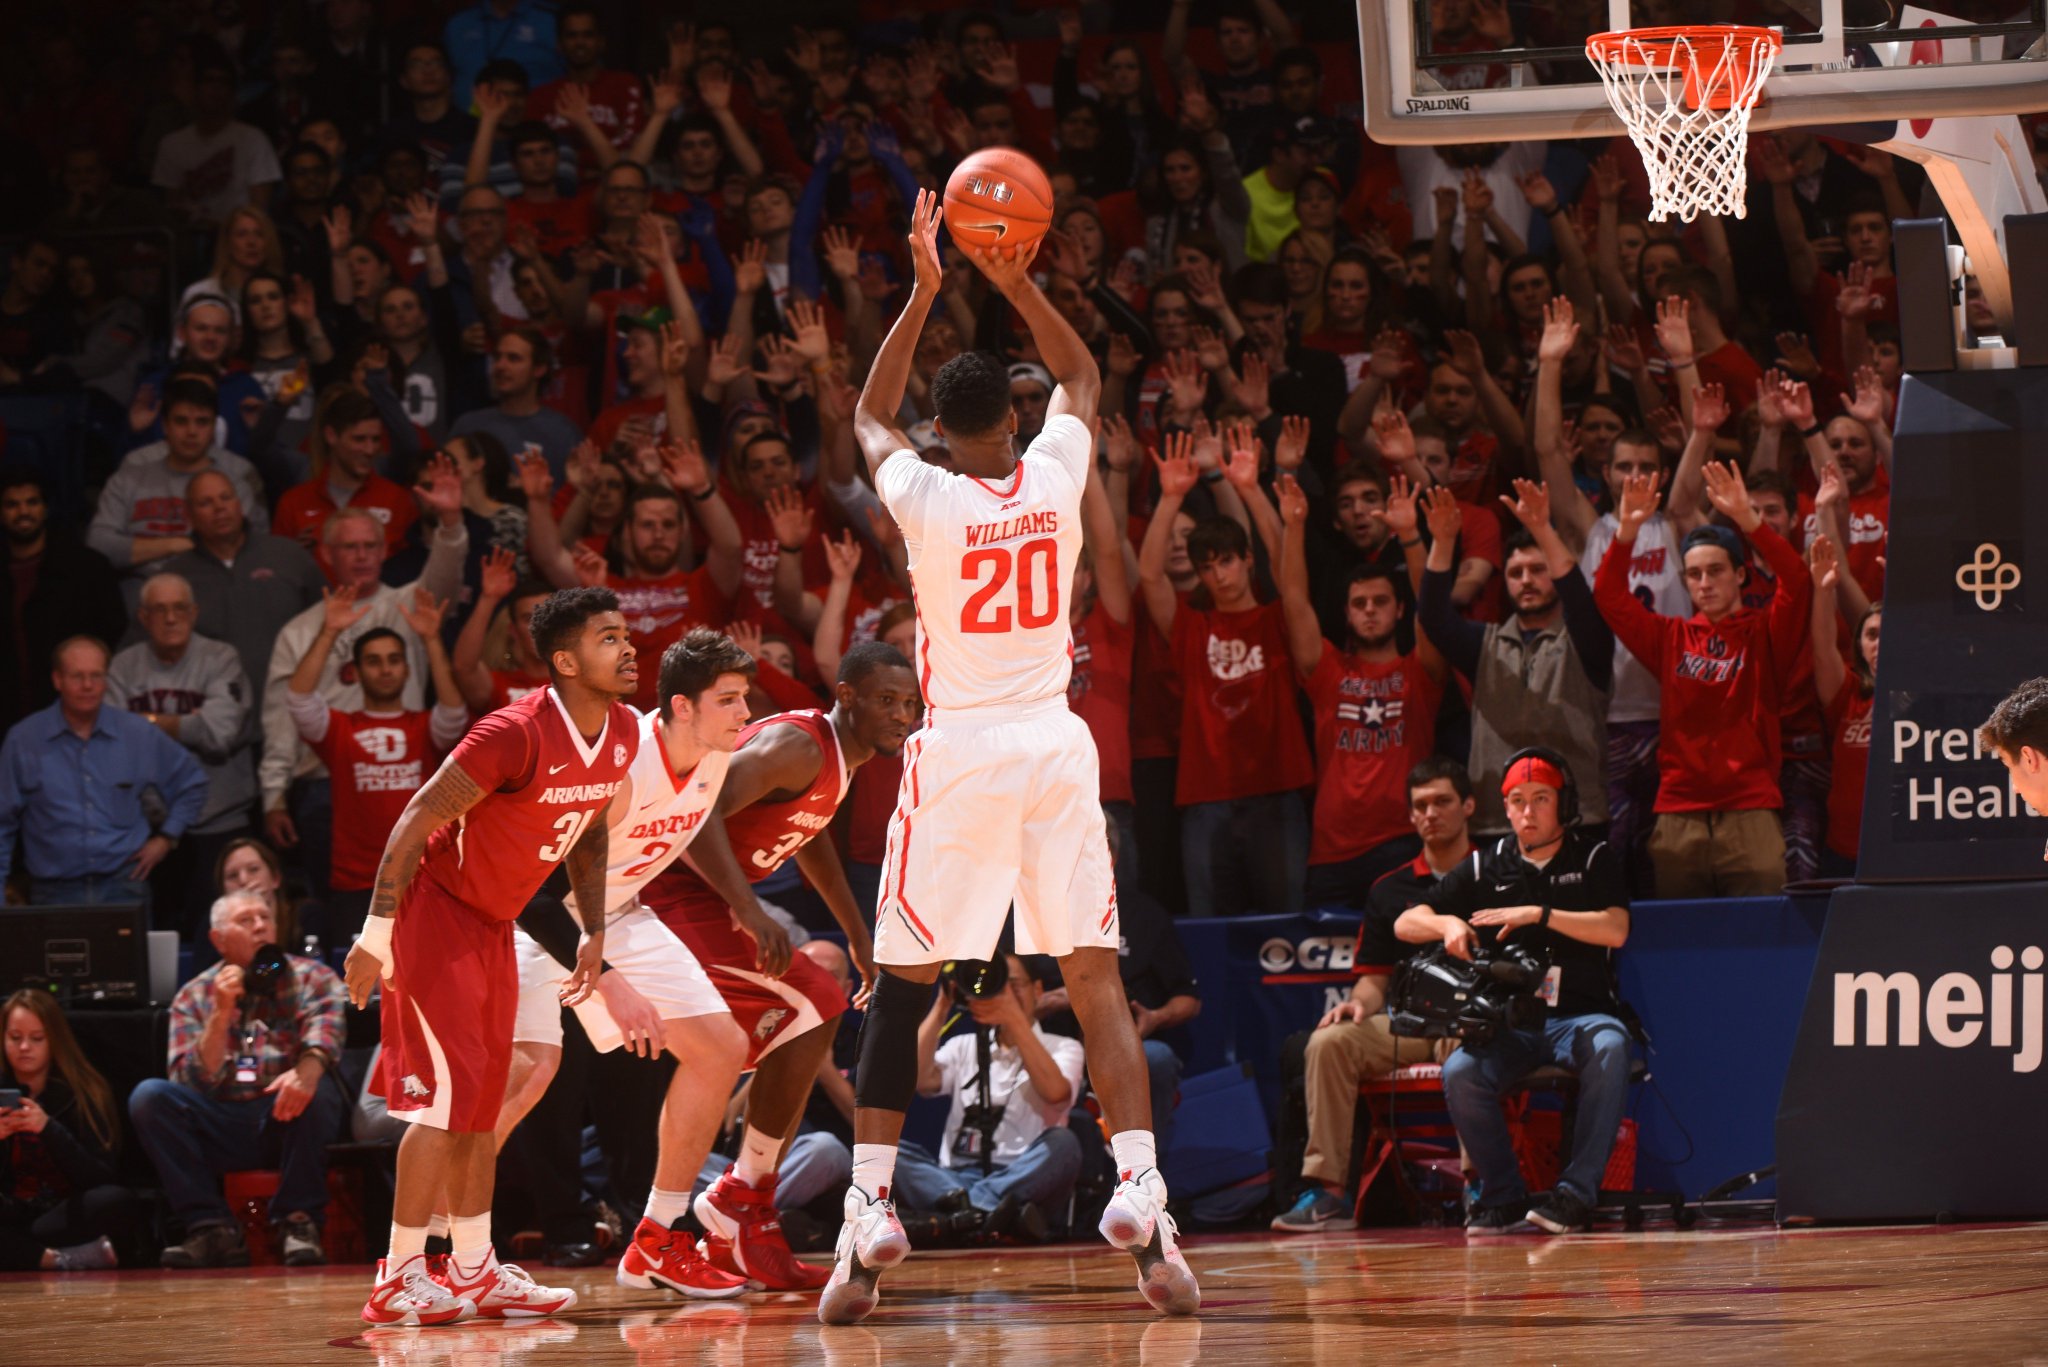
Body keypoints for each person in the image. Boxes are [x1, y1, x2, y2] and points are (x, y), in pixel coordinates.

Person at [822, 191, 1197, 1324]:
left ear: (945, 430)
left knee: (899, 985)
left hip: (964, 750)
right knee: (1094, 975)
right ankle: (1139, 1186)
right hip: (1056, 741)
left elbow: (864, 414)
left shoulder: (925, 492)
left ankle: (871, 1206)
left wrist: (927, 284)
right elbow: (1083, 378)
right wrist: (1018, 275)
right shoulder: (1051, 474)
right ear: (1015, 420)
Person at [343, 587, 637, 1326]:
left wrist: (593, 929)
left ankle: (474, 1266)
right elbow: (414, 821)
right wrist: (374, 938)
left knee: (480, 1101)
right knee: (443, 1103)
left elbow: (592, 830)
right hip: (435, 912)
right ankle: (398, 1271)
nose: (629, 647)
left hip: (494, 920)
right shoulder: (513, 731)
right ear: (566, 660)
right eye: (609, 638)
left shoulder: (625, 730)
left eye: (626, 634)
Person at [496, 630, 768, 1300]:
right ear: (681, 705)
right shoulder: (619, 768)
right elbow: (533, 892)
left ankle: (656, 1237)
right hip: (535, 919)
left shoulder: (713, 754)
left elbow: (692, 817)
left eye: (746, 698)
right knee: (525, 1078)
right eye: (729, 699)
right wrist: (609, 984)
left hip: (619, 912)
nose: (745, 714)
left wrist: (744, 903)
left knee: (721, 1046)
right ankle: (441, 1250)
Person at [644, 640, 919, 1290]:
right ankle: (739, 1196)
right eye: (885, 700)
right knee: (814, 1002)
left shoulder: (835, 764)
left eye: (909, 703)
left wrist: (857, 935)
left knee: (808, 1010)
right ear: (846, 696)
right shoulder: (798, 744)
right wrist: (747, 905)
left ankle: (741, 1201)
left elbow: (811, 832)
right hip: (669, 893)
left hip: (708, 900)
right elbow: (698, 804)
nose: (901, 714)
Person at [1396, 751, 1633, 1235]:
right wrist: (1446, 923)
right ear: (1504, 809)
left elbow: (1616, 930)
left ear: (1562, 803)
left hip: (1581, 1016)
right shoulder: (1485, 866)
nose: (1528, 812)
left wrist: (1537, 914)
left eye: (1540, 799)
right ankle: (1503, 1196)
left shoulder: (1591, 858)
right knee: (1461, 1071)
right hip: (1512, 1024)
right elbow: (1404, 922)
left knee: (1611, 1046)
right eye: (1517, 801)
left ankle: (1574, 1196)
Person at [1272, 759, 1474, 1232]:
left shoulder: (1492, 875)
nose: (1431, 813)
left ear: (1468, 806)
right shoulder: (1390, 889)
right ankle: (1328, 1193)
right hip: (1405, 1024)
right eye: (1420, 805)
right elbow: (1373, 979)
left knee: (1473, 1044)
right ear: (1410, 816)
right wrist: (1358, 1004)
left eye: (1442, 801)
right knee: (1328, 1041)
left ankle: (1478, 1183)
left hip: (1468, 1022)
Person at [1595, 466, 1811, 897]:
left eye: (1716, 571)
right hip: (1679, 814)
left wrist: (1749, 520)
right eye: (1694, 575)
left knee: (1764, 938)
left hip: (1751, 808)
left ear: (1741, 575)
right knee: (1683, 943)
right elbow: (1609, 595)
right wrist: (1628, 530)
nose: (1705, 583)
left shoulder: (1763, 633)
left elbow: (1797, 581)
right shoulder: (1670, 638)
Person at [259, 491, 468, 911]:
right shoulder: (301, 632)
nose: (361, 556)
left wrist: (449, 521)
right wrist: (274, 793)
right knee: (342, 906)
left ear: (385, 550)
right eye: (349, 547)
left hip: (407, 775)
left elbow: (443, 577)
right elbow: (285, 715)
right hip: (322, 782)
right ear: (326, 553)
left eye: (370, 545)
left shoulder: (407, 605)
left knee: (420, 903)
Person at [129, 891, 349, 1267]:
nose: (261, 925)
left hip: (287, 1116)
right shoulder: (194, 995)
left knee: (319, 1088)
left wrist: (306, 1072)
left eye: (266, 917)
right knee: (149, 1097)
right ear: (218, 940)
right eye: (246, 920)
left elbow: (326, 1036)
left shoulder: (314, 977)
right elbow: (190, 1080)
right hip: (221, 1120)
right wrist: (221, 1011)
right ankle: (210, 1228)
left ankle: (299, 1222)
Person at [1278, 473, 1448, 902]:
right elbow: (1294, 599)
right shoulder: (1327, 669)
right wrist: (1294, 525)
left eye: (1380, 602)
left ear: (1399, 610)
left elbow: (1433, 605)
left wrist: (1410, 536)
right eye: (1359, 604)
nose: (1370, 611)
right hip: (1331, 854)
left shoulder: (1420, 670)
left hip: (1402, 843)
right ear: (1347, 614)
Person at [1415, 476, 1614, 841]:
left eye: (1538, 570)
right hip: (1497, 823)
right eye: (1515, 573)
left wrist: (1541, 529)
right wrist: (1443, 542)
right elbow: (1433, 618)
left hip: (1577, 822)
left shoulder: (1587, 640)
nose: (1526, 580)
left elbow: (1581, 602)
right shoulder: (1484, 643)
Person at [287, 588, 469, 942]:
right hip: (357, 883)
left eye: (393, 659)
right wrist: (329, 632)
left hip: (423, 877)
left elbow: (453, 713)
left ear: (405, 667)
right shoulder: (339, 729)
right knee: (360, 994)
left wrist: (431, 640)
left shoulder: (425, 727)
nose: (385, 669)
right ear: (355, 671)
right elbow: (299, 699)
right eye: (373, 661)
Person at [0, 636, 208, 908]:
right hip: (54, 893)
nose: (88, 686)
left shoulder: (136, 733)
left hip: (124, 886)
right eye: (77, 676)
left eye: (96, 676)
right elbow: (2, 823)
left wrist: (166, 839)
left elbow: (192, 783)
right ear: (57, 680)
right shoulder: (24, 740)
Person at [893, 952, 1088, 1240]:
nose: (1003, 993)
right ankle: (985, 1216)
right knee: (887, 1151)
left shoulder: (1064, 1046)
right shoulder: (963, 1045)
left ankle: (963, 1215)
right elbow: (919, 1080)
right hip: (952, 1181)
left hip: (1023, 1179)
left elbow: (1055, 1093)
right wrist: (942, 1004)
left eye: (1013, 984)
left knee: (1064, 1144)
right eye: (996, 984)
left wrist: (1014, 1019)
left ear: (1038, 990)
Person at [108, 573, 257, 934]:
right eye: (159, 610)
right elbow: (113, 746)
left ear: (193, 613)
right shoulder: (123, 667)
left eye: (179, 609)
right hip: (148, 826)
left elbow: (220, 733)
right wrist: (188, 722)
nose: (170, 618)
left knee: (223, 931)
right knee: (154, 937)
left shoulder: (221, 658)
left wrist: (146, 722)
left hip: (219, 820)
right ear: (143, 618)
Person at [88, 379, 270, 597]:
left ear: (213, 427)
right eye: (181, 421)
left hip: (212, 587)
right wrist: (175, 544)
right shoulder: (130, 477)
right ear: (165, 426)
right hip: (141, 587)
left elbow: (249, 550)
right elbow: (98, 544)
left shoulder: (234, 483)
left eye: (202, 422)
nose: (191, 431)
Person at [166, 471, 327, 705]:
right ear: (188, 515)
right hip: (211, 714)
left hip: (293, 705)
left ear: (240, 504)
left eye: (226, 497)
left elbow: (329, 624)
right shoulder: (175, 577)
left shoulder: (288, 556)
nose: (219, 508)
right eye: (205, 503)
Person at [0, 989, 127, 1272]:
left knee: (114, 1200)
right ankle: (55, 1259)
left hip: (62, 1213)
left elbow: (100, 1176)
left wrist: (48, 1128)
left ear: (54, 1040)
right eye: (15, 1038)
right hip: (12, 1212)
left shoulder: (85, 1092)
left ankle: (24, 1252)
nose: (24, 1048)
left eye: (36, 1038)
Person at [0, 467, 126, 733]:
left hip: (74, 711)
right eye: (12, 504)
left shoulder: (87, 568)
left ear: (45, 508)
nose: (23, 512)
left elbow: (112, 634)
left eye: (32, 502)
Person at [150, 51, 282, 226]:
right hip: (190, 237)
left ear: (233, 92)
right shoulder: (172, 144)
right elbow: (172, 205)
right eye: (208, 81)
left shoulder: (253, 139)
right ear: (195, 88)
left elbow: (259, 208)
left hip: (238, 238)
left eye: (223, 82)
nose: (215, 88)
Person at [449, 326, 583, 481]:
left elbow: (571, 497)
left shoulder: (563, 432)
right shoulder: (468, 426)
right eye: (497, 357)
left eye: (513, 358)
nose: (500, 366)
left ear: (539, 369)